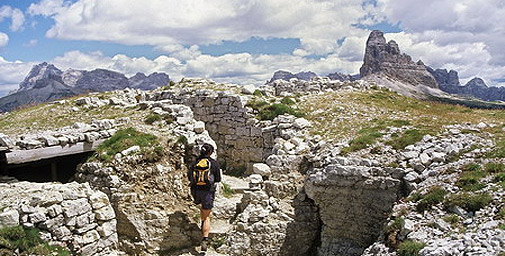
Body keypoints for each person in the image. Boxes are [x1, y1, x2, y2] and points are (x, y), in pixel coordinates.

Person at [188, 143, 221, 252]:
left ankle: (202, 224)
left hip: (196, 191)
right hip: (207, 191)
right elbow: (217, 179)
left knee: (202, 210)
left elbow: (190, 177)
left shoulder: (195, 163)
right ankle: (205, 239)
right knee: (207, 216)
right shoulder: (214, 163)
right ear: (210, 152)